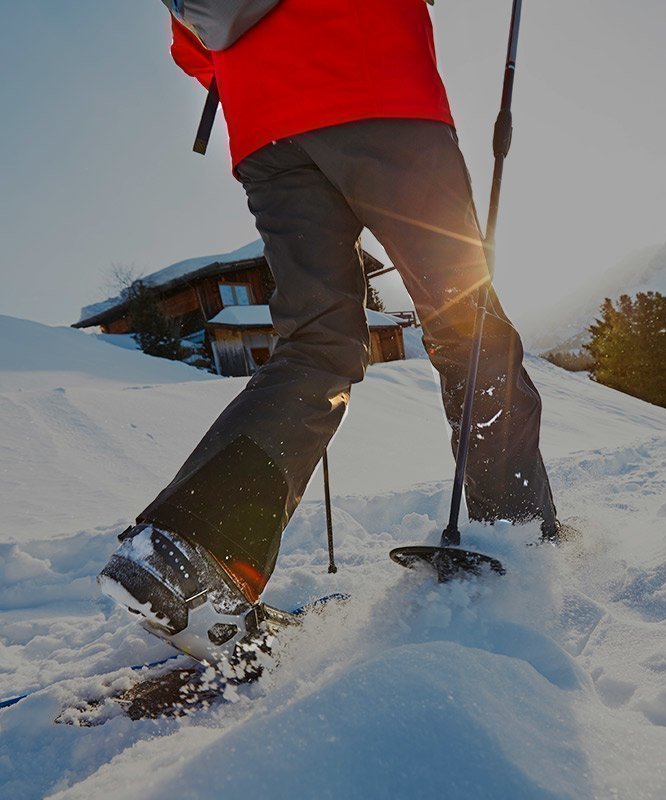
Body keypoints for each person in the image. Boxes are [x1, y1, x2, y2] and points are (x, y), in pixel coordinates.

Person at [99, 0, 558, 667]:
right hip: (381, 86)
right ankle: (515, 536)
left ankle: (191, 548)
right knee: (465, 317)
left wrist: (268, 73)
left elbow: (191, 40)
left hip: (267, 130)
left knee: (317, 343)